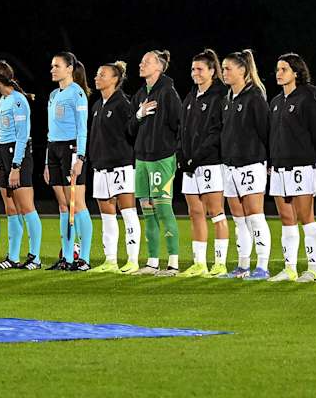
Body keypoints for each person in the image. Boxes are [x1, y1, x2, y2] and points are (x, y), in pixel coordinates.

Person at [266, 54, 316, 282]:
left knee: (305, 217)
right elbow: (272, 137)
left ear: (296, 73)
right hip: (279, 169)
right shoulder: (275, 103)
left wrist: (314, 165)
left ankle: (313, 270)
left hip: (301, 167)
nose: (279, 73)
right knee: (286, 218)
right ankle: (289, 268)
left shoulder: (307, 100)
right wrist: (272, 162)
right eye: (277, 69)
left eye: (284, 69)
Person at [219, 50, 272, 280]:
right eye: (223, 68)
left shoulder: (254, 97)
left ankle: (262, 266)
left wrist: (267, 160)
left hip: (251, 164)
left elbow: (265, 131)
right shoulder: (228, 98)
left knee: (255, 215)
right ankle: (243, 266)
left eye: (228, 68)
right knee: (239, 218)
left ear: (242, 70)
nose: (224, 72)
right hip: (230, 166)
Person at [130, 50, 183, 276]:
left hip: (162, 158)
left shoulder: (168, 93)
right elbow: (129, 129)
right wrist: (139, 114)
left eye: (146, 61)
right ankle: (152, 262)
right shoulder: (140, 94)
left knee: (163, 210)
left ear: (159, 67)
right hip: (141, 159)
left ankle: (173, 263)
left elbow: (179, 125)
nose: (141, 64)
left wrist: (175, 154)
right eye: (141, 61)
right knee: (147, 211)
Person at [177, 49, 229, 277]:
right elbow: (182, 129)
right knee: (195, 212)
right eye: (192, 69)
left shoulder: (219, 96)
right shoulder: (190, 97)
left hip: (210, 163)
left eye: (199, 69)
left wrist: (196, 156)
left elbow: (216, 132)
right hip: (190, 166)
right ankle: (199, 263)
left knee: (216, 212)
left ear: (212, 71)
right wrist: (181, 155)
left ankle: (220, 263)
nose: (194, 73)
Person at [0, 60, 41, 269]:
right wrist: (2, 163)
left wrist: (16, 166)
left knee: (26, 207)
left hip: (19, 156)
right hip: (5, 154)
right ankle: (13, 256)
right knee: (10, 208)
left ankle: (34, 257)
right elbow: (4, 136)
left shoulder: (18, 101)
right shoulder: (3, 100)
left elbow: (21, 136)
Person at [89, 61, 140, 273]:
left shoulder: (123, 104)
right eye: (97, 74)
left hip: (121, 167)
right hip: (100, 168)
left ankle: (132, 260)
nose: (96, 78)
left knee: (128, 212)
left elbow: (131, 132)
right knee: (107, 216)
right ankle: (110, 260)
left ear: (114, 80)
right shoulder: (97, 105)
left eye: (102, 75)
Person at [43, 52, 91, 270]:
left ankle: (85, 258)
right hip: (54, 149)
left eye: (57, 66)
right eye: (52, 66)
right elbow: (50, 131)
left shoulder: (77, 94)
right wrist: (46, 161)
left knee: (77, 204)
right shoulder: (53, 94)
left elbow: (83, 129)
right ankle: (67, 257)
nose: (52, 69)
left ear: (69, 68)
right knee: (63, 205)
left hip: (71, 149)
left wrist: (80, 157)